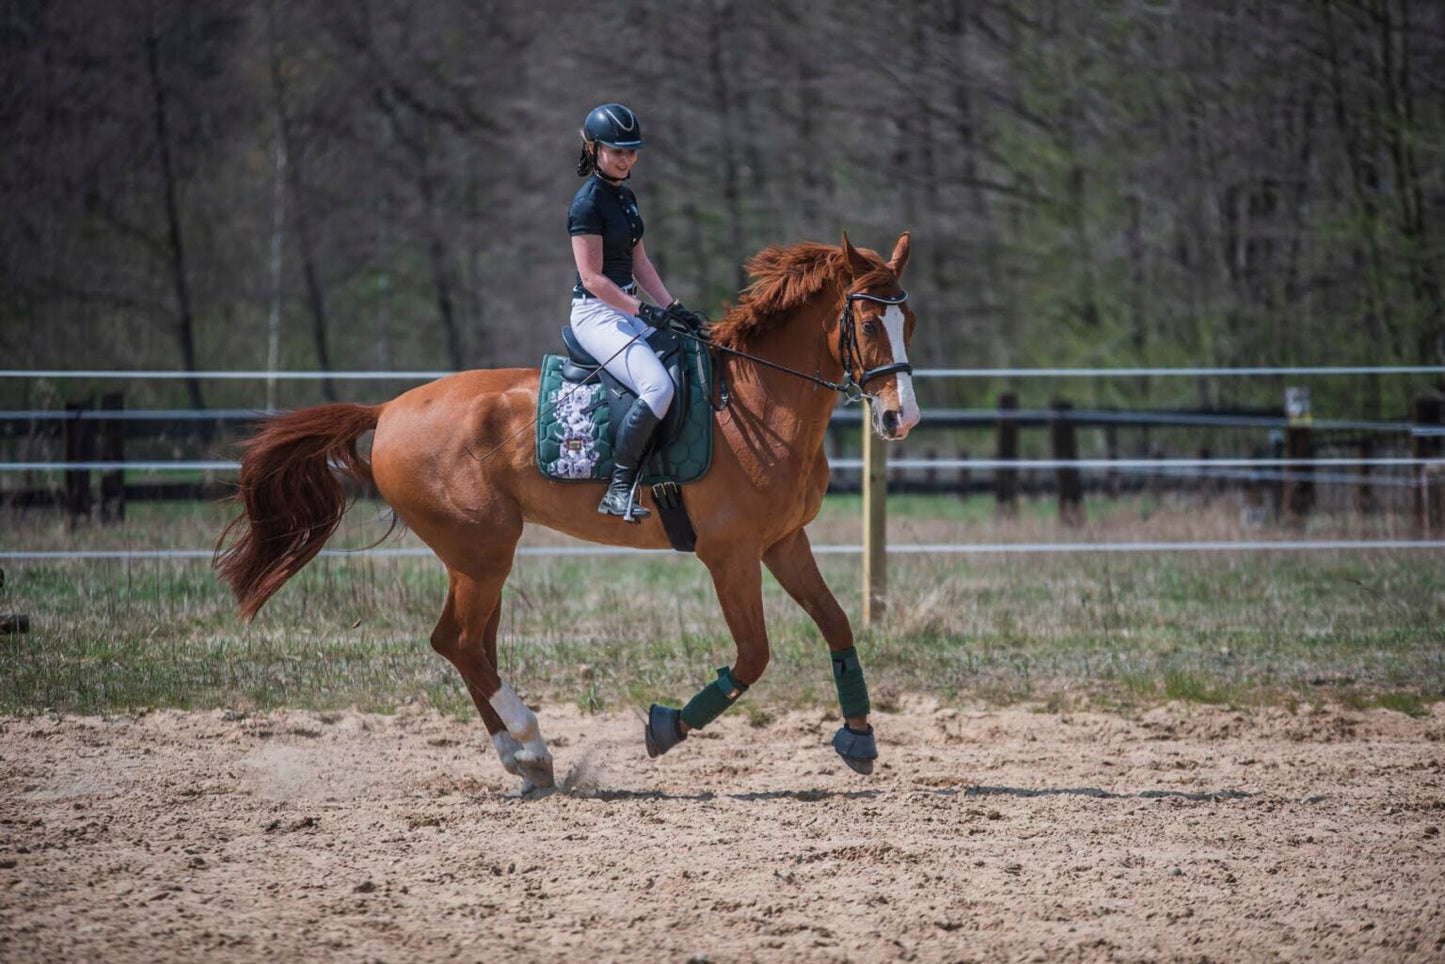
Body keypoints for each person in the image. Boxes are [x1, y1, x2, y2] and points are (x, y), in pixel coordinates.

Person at [567, 103, 704, 521]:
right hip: (596, 314)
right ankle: (619, 487)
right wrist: (642, 310)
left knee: (692, 356)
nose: (626, 159)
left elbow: (640, 264)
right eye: (617, 151)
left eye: (631, 151)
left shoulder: (626, 197)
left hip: (626, 308)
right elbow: (592, 278)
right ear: (593, 149)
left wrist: (674, 307)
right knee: (658, 388)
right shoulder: (587, 204)